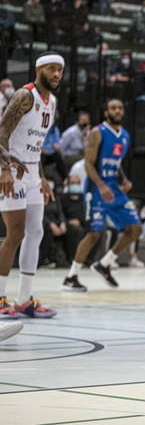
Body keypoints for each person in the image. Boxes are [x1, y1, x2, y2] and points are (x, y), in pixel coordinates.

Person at [0, 52, 64, 319]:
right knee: (15, 234)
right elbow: (1, 132)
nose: (57, 74)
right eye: (52, 69)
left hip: (32, 171)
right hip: (11, 169)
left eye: (60, 70)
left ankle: (24, 300)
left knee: (35, 232)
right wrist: (4, 169)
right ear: (39, 70)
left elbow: (35, 145)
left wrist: (42, 177)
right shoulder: (24, 96)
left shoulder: (53, 101)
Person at [62, 99, 142, 292]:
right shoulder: (98, 132)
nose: (117, 110)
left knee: (135, 229)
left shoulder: (125, 136)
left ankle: (105, 264)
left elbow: (116, 162)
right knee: (94, 233)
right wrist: (101, 185)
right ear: (106, 112)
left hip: (115, 189)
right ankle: (71, 276)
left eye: (120, 107)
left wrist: (124, 179)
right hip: (97, 190)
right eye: (113, 108)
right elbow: (89, 163)